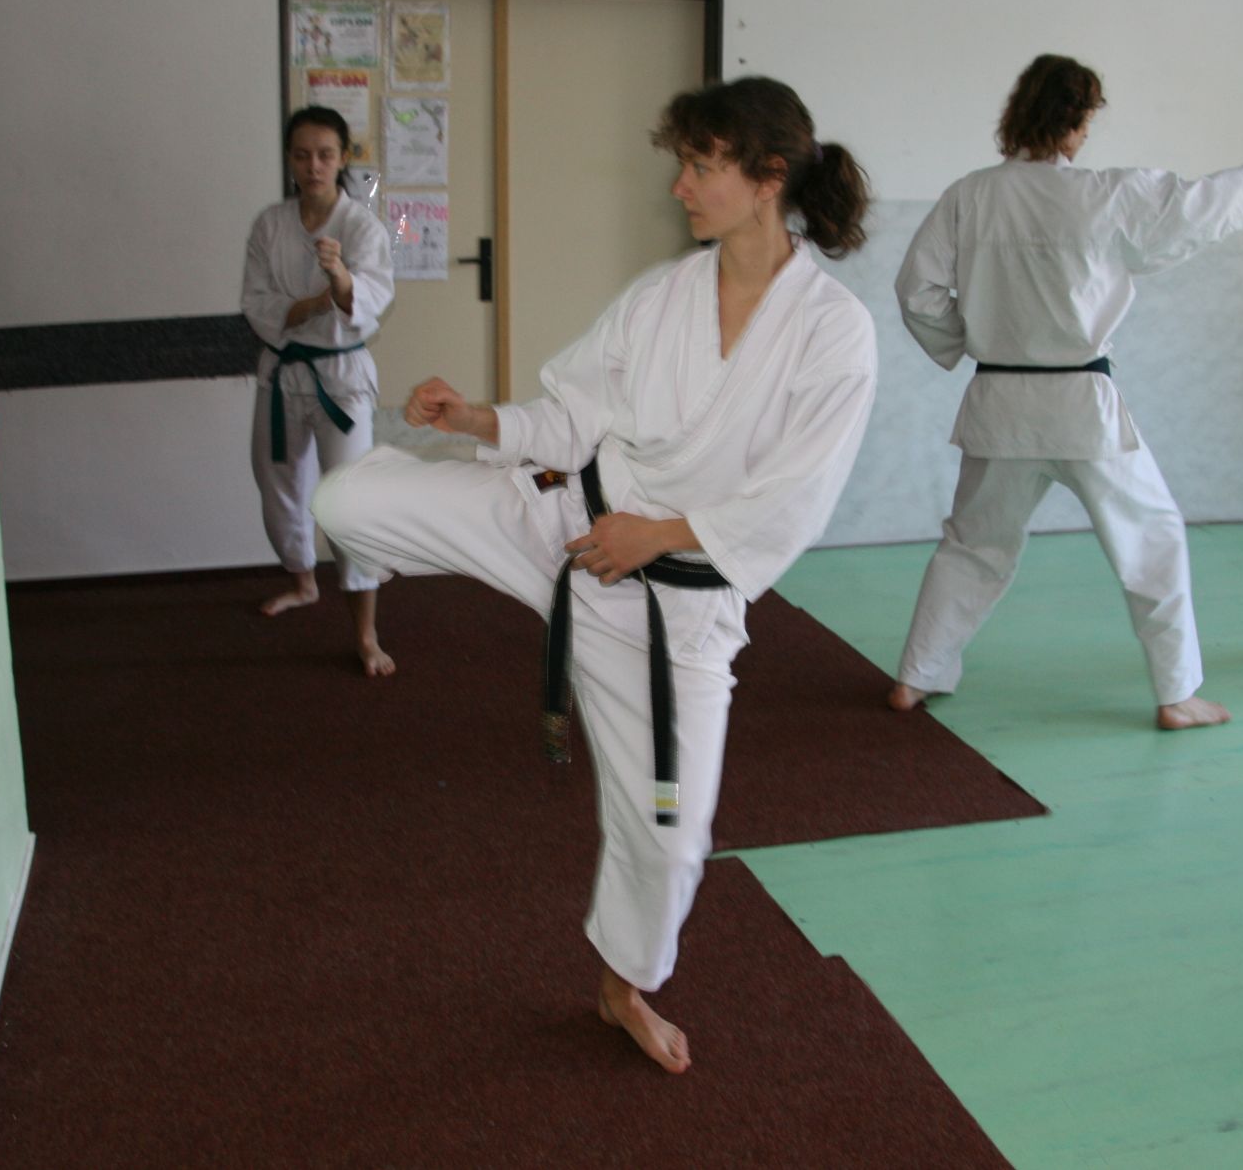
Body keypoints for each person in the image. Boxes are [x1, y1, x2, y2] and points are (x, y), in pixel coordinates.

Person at [312, 77, 878, 1072]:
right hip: (564, 525)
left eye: (699, 166)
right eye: (682, 163)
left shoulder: (833, 332)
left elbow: (795, 496)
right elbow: (570, 415)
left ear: (767, 178)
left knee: (669, 839)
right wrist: (479, 419)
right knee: (346, 501)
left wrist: (658, 535)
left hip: (677, 609)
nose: (679, 186)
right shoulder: (663, 296)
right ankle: (464, 509)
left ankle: (621, 988)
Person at [889, 54, 1243, 729]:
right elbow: (1196, 206)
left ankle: (917, 676)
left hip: (999, 405)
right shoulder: (1104, 194)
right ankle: (1176, 695)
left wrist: (969, 339)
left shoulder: (971, 194)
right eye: (1086, 120)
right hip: (1080, 408)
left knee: (972, 545)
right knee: (1153, 539)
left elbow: (918, 290)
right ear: (1075, 120)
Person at [242, 105, 396, 677]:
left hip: (342, 377)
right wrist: (311, 304)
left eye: (326, 154)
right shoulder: (269, 225)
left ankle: (366, 633)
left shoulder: (361, 227)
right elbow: (257, 303)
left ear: (343, 158)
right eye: (303, 155)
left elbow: (371, 300)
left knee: (348, 499)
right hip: (284, 372)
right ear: (289, 159)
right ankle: (304, 581)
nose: (314, 166)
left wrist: (341, 278)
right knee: (278, 482)